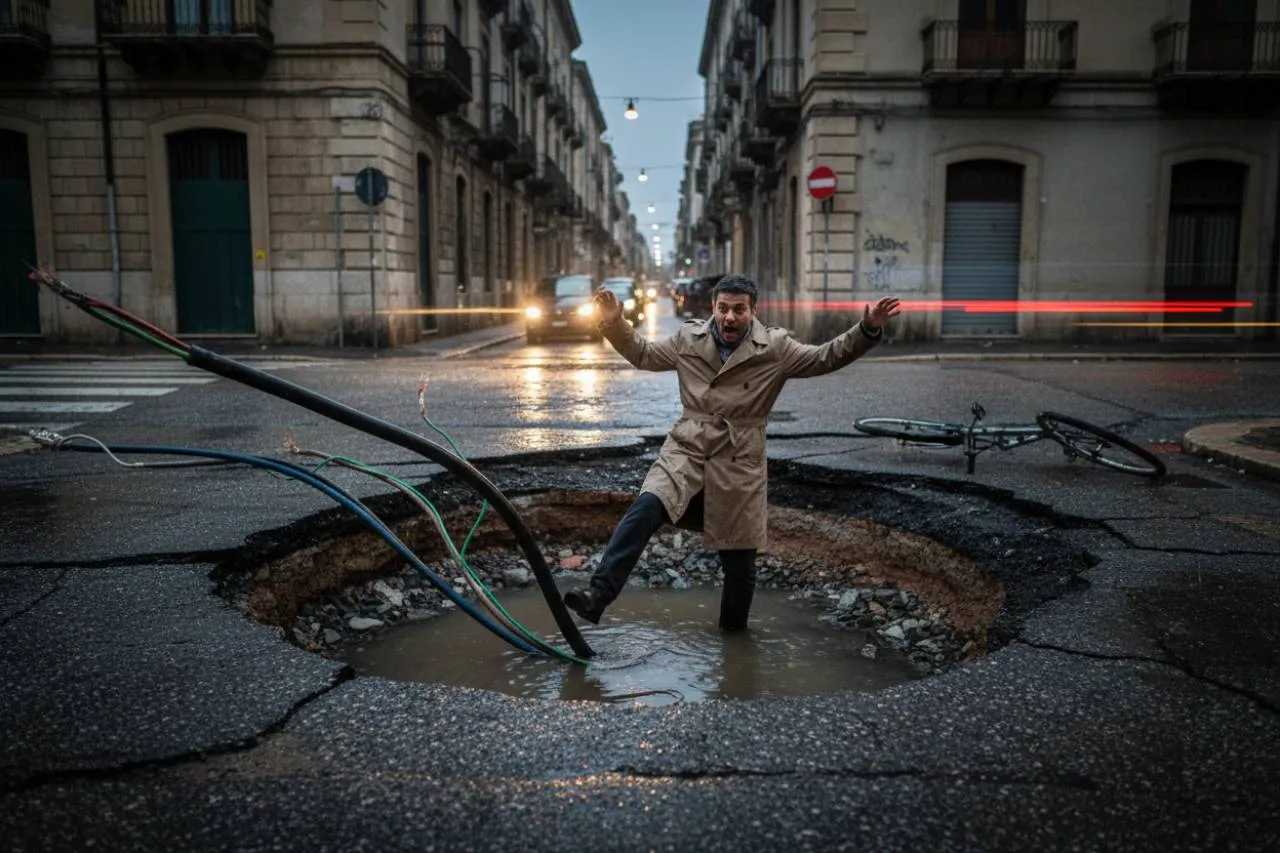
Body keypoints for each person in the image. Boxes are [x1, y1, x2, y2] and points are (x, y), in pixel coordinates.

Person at [563, 273, 902, 632]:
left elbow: (824, 358)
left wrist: (866, 329)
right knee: (646, 506)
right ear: (713, 307)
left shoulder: (775, 348)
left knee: (739, 563)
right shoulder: (688, 338)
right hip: (687, 449)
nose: (729, 317)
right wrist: (615, 322)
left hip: (739, 458)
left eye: (739, 310)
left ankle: (734, 642)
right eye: (723, 308)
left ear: (753, 311)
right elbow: (644, 355)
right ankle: (597, 596)